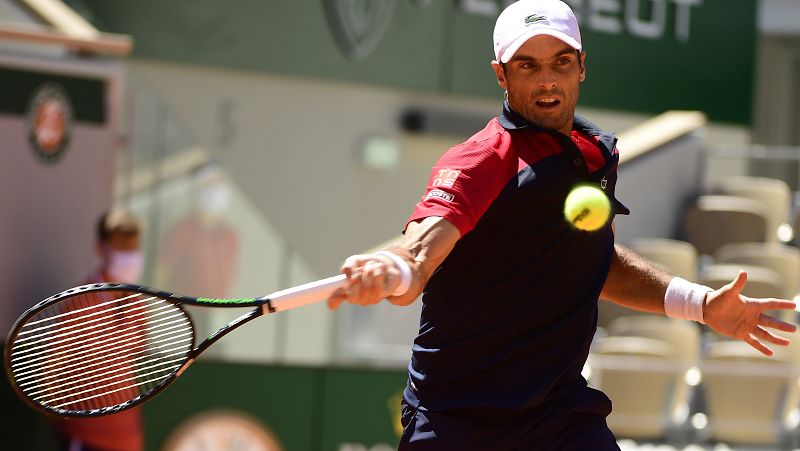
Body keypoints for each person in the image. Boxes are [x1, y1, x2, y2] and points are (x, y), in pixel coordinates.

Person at [327, 1, 797, 449]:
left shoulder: (592, 155)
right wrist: (392, 270)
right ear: (501, 75)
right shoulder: (479, 161)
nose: (547, 80)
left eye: (561, 61)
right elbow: (420, 254)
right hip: (458, 418)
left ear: (581, 66)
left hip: (559, 417)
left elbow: (596, 263)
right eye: (528, 65)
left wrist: (700, 304)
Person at [54, 209, 145, 451]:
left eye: (133, 248)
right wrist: (74, 425)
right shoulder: (80, 302)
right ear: (101, 248)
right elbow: (48, 374)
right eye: (122, 247)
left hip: (128, 437)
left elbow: (136, 353)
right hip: (85, 437)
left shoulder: (138, 302)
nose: (130, 256)